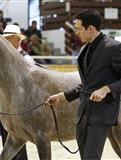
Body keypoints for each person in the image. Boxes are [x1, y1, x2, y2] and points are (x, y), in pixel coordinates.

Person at [45, 9, 121, 160]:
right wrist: (61, 97)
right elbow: (86, 86)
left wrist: (106, 89)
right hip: (82, 115)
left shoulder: (114, 48)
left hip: (103, 114)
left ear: (91, 28)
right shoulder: (84, 50)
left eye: (79, 29)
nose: (76, 33)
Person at [0, 25, 35, 160]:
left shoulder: (26, 59)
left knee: (17, 143)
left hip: (20, 109)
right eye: (5, 39)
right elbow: (0, 85)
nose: (6, 42)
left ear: (17, 40)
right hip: (5, 107)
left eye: (9, 39)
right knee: (7, 143)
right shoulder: (3, 60)